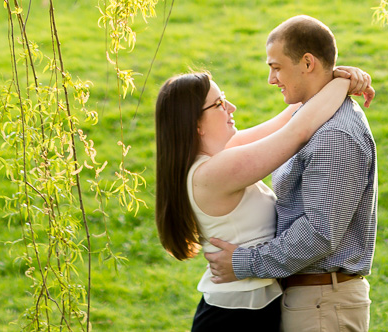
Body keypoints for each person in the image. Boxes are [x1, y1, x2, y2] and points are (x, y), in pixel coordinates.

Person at [154, 58, 373, 331]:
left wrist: (330, 78)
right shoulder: (213, 172)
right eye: (219, 104)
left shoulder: (217, 158)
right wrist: (342, 82)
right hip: (233, 319)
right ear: (195, 123)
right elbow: (297, 131)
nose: (231, 107)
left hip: (251, 310)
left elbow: (290, 117)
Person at [205, 15, 378, 332]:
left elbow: (319, 233)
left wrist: (245, 263)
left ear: (308, 63)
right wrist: (341, 79)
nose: (272, 79)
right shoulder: (308, 117)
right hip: (310, 299)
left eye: (276, 67)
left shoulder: (333, 136)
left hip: (324, 304)